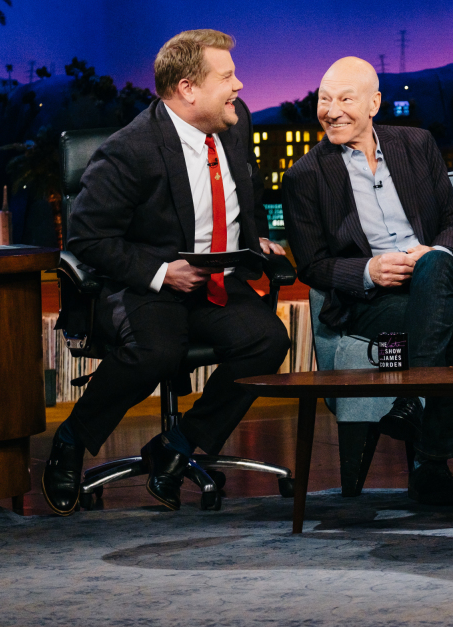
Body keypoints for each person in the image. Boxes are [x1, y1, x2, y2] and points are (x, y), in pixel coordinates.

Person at [41, 29, 292, 516]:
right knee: (158, 349)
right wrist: (161, 272)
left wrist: (253, 237)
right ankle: (73, 438)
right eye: (227, 77)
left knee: (267, 340)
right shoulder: (130, 150)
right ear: (187, 88)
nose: (239, 85)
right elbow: (86, 239)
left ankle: (177, 445)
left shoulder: (234, 128)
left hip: (215, 282)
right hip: (148, 285)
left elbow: (243, 195)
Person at [284, 56, 453, 505]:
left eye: (344, 98)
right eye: (324, 99)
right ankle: (431, 466)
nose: (331, 110)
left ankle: (411, 399)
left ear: (375, 102)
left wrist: (436, 252)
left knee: (434, 265)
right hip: (378, 298)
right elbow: (313, 265)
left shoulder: (416, 144)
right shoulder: (304, 176)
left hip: (442, 275)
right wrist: (368, 270)